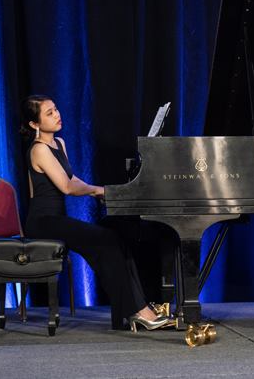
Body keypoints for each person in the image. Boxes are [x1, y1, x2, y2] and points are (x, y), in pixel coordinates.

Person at [20, 94, 168, 332]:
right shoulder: (38, 150)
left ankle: (135, 310)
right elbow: (67, 187)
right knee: (106, 239)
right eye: (49, 113)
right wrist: (99, 190)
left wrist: (95, 191)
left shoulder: (59, 144)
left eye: (56, 109)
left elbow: (72, 179)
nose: (57, 115)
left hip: (56, 218)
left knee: (116, 238)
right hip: (43, 222)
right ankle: (138, 311)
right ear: (34, 124)